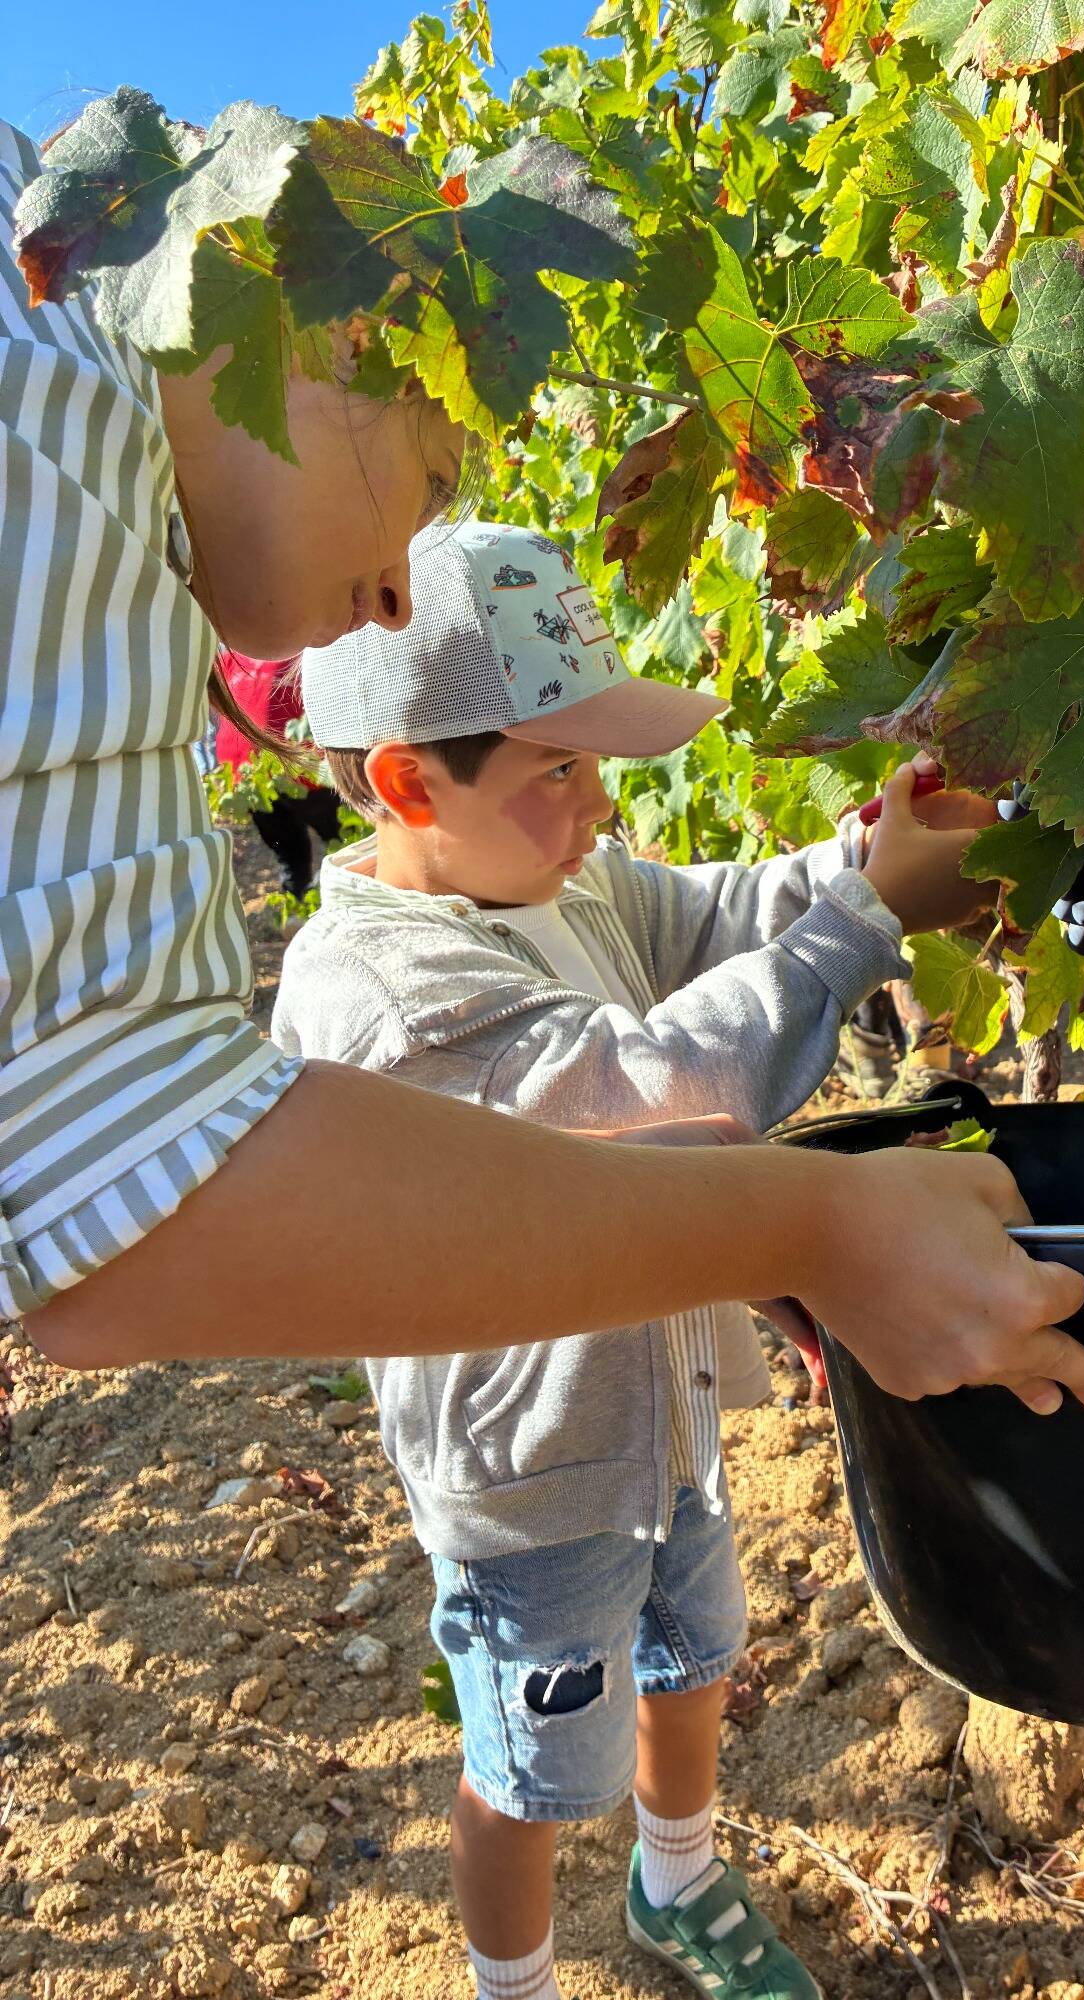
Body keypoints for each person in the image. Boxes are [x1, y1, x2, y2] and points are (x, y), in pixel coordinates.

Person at [2, 111, 1084, 1432]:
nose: (397, 593)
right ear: (351, 334)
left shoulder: (63, 398)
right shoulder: (54, 418)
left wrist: (857, 870)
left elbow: (705, 914)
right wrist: (818, 1219)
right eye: (427, 483)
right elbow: (121, 1191)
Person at [271, 518, 1038, 1999]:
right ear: (405, 782)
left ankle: (676, 1877)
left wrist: (856, 859)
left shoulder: (562, 881)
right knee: (535, 1765)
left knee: (696, 1653)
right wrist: (864, 924)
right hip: (534, 1470)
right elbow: (648, 1085)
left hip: (664, 1404)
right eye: (558, 769)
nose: (599, 805)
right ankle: (518, 1983)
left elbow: (725, 914)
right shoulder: (379, 988)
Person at [213, 650, 345, 899]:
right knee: (347, 841)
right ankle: (335, 902)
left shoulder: (236, 651)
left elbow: (216, 699)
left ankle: (301, 906)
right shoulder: (301, 641)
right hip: (298, 768)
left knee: (291, 857)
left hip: (246, 774)